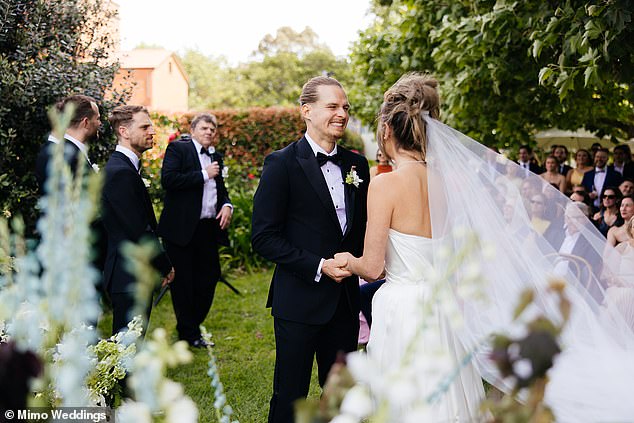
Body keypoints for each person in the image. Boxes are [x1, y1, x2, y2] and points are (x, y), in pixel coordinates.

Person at [335, 73, 634, 421]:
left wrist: (346, 260)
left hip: (404, 309)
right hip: (444, 307)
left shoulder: (385, 184)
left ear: (386, 130)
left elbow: (373, 267)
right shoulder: (447, 184)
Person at [251, 76, 369, 423]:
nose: (342, 114)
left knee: (342, 395)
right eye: (333, 106)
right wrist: (318, 265)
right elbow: (264, 236)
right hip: (299, 300)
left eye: (345, 107)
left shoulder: (357, 165)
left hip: (346, 301)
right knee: (290, 394)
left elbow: (360, 230)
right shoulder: (281, 164)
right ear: (307, 110)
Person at [157, 113, 232, 348]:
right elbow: (168, 180)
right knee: (183, 283)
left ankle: (190, 326)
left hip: (207, 228)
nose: (209, 132)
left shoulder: (215, 156)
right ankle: (189, 334)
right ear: (193, 130)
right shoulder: (178, 150)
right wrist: (203, 174)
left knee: (209, 277)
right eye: (205, 128)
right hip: (181, 229)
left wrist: (227, 205)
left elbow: (220, 189)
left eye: (213, 129)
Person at [102, 105, 174, 335]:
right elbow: (138, 229)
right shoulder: (120, 172)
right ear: (123, 131)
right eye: (144, 126)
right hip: (127, 274)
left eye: (151, 126)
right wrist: (165, 265)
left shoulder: (125, 168)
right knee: (126, 350)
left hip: (131, 273)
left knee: (130, 347)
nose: (152, 131)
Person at [35, 94, 101, 195]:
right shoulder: (65, 156)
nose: (100, 123)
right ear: (86, 122)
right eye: (97, 119)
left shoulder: (61, 150)